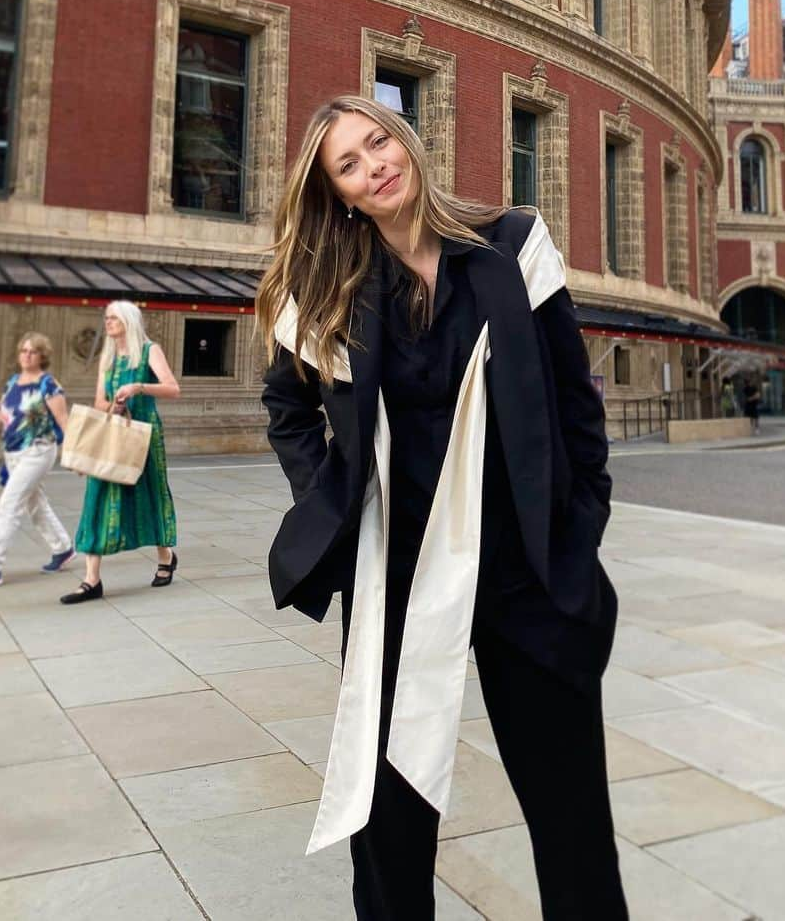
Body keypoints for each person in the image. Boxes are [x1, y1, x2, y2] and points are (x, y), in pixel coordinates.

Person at [257, 95, 627, 920]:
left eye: (378, 141)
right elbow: (287, 406)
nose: (373, 166)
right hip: (399, 573)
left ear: (408, 141)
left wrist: (582, 523)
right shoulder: (330, 288)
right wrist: (333, 503)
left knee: (571, 815)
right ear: (340, 195)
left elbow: (577, 400)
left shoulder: (512, 246)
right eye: (347, 165)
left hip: (527, 566)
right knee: (386, 818)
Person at [61, 301, 180, 603]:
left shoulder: (150, 350)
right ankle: (91, 579)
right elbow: (99, 401)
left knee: (150, 493)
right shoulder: (108, 358)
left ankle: (166, 557)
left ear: (128, 320)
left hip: (144, 433)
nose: (108, 322)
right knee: (97, 495)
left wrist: (139, 387)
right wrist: (114, 404)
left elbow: (172, 388)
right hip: (114, 434)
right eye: (106, 318)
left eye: (114, 318)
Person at [0, 334, 75, 589]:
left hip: (38, 451)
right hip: (12, 453)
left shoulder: (49, 384)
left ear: (42, 356)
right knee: (35, 504)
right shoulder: (13, 381)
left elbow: (63, 421)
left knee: (9, 505)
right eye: (23, 350)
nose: (27, 355)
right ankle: (63, 549)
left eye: (33, 351)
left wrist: (74, 455)